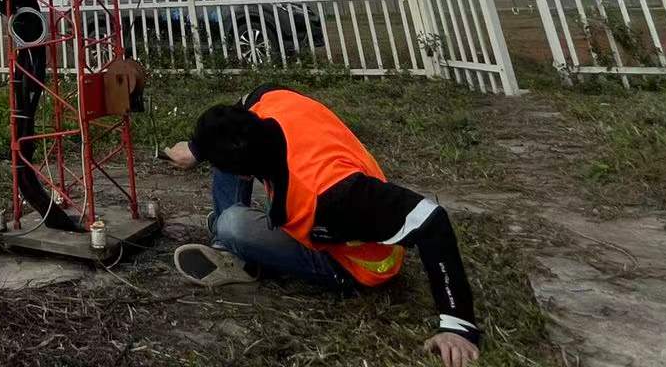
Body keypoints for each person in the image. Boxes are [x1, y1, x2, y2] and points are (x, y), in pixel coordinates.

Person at [165, 84, 482, 367]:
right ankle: (229, 242)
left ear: (247, 176)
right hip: (318, 203)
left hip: (354, 262)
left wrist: (458, 325)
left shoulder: (336, 197)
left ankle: (233, 244)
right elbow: (249, 97)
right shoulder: (269, 105)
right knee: (221, 149)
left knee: (233, 224)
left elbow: (430, 220)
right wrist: (196, 149)